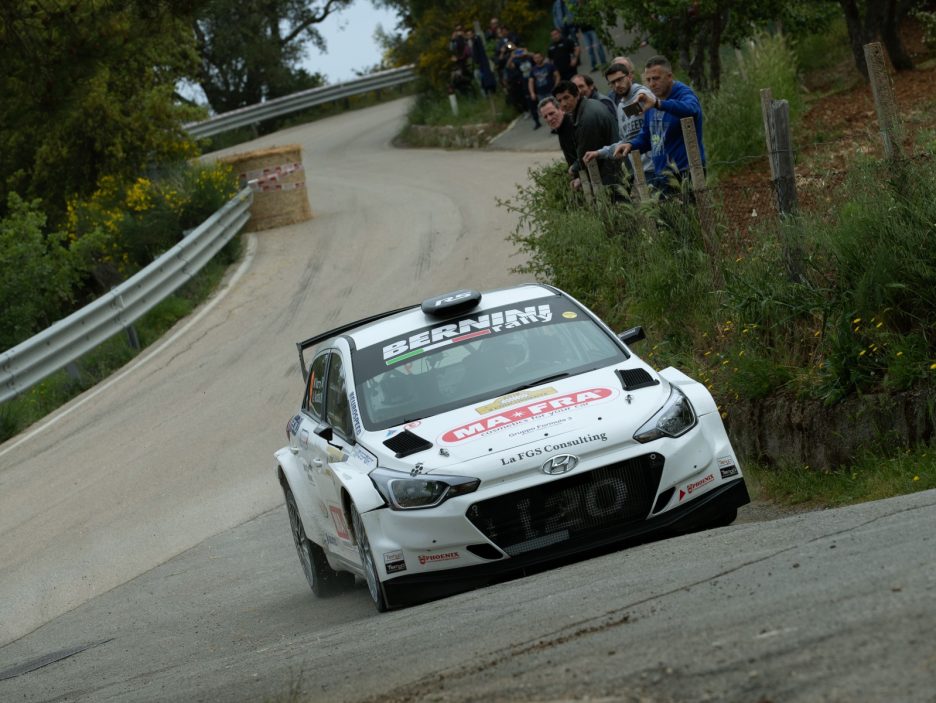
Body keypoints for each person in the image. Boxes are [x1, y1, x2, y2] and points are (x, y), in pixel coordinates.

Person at [611, 55, 706, 196]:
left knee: (694, 215)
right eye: (648, 80)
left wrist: (659, 104)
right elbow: (647, 135)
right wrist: (631, 145)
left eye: (656, 78)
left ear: (669, 76)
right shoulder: (652, 100)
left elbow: (692, 109)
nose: (651, 84)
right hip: (662, 175)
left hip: (686, 171)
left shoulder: (681, 92)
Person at [582, 61, 655, 181]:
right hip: (640, 170)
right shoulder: (621, 106)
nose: (617, 85)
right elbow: (625, 140)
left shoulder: (642, 94)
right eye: (612, 82)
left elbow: (647, 96)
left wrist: (643, 96)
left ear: (630, 77)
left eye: (620, 79)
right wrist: (599, 153)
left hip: (657, 166)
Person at [553, 80, 620, 191]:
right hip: (611, 167)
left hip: (611, 174)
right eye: (559, 100)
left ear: (577, 95)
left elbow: (587, 153)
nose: (563, 104)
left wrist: (574, 169)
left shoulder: (587, 117)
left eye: (566, 97)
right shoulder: (589, 105)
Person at [538, 96, 577, 169]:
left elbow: (585, 154)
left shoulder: (573, 125)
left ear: (560, 109)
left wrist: (574, 170)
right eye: (545, 117)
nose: (549, 118)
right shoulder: (560, 129)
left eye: (551, 113)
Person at [529, 52, 560, 129]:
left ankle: (560, 122)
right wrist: (532, 93)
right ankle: (553, 126)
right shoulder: (533, 70)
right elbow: (531, 82)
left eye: (538, 57)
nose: (537, 59)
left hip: (551, 91)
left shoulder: (549, 66)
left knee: (555, 107)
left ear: (542, 57)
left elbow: (557, 76)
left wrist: (556, 86)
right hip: (540, 93)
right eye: (535, 58)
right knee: (546, 111)